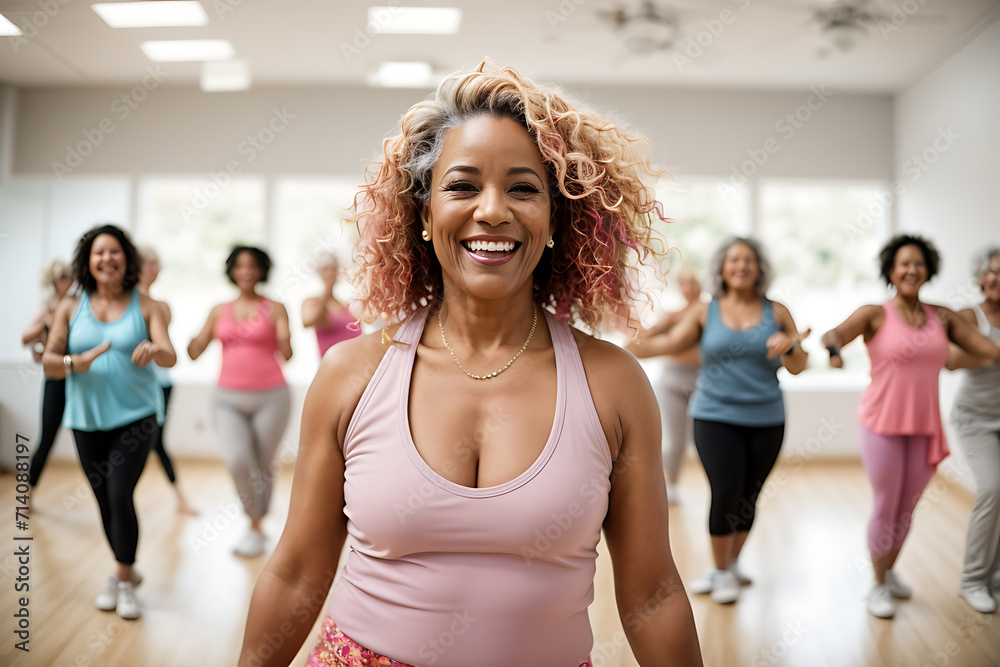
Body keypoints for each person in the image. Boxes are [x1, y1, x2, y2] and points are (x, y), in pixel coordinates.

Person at [238, 62, 702, 667]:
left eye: (523, 188)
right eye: (461, 186)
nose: (492, 211)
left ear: (558, 221)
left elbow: (652, 593)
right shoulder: (350, 374)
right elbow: (297, 573)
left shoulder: (613, 384)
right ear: (424, 217)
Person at [821, 234, 1000, 619]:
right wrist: (834, 351)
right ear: (890, 270)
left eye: (919, 263)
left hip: (925, 427)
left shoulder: (943, 317)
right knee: (887, 506)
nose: (911, 269)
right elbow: (834, 334)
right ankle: (877, 584)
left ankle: (888, 571)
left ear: (928, 270)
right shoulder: (875, 313)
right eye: (904, 263)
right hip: (882, 424)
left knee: (906, 510)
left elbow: (988, 349)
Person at [627, 236, 809, 606]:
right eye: (733, 260)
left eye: (748, 260)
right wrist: (630, 344)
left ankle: (733, 562)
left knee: (750, 496)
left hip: (767, 418)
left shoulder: (777, 311)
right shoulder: (704, 311)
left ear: (759, 269)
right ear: (722, 269)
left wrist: (790, 345)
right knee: (725, 490)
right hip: (713, 416)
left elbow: (798, 366)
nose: (741, 266)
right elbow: (668, 344)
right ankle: (721, 571)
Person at [42, 224, 176, 620]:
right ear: (88, 261)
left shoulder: (148, 305)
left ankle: (120, 579)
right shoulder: (70, 305)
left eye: (115, 252)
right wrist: (74, 363)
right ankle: (128, 572)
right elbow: (50, 364)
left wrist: (154, 350)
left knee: (119, 494)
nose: (107, 259)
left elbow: (170, 354)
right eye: (99, 253)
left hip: (136, 416)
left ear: (126, 259)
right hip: (86, 419)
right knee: (103, 500)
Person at [188, 246, 292, 558]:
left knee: (263, 464)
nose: (246, 271)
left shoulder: (276, 308)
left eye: (253, 266)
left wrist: (283, 334)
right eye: (240, 266)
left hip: (271, 396)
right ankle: (254, 520)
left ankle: (256, 528)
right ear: (232, 271)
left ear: (262, 271)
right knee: (238, 460)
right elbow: (195, 351)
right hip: (227, 399)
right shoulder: (219, 309)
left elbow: (288, 354)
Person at [946, 247, 1000, 613]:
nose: (997, 278)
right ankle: (972, 579)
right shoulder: (969, 316)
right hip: (974, 418)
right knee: (992, 488)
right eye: (992, 271)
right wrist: (993, 350)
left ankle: (994, 575)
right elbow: (949, 360)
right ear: (982, 276)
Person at [631, 267, 702, 504]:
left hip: (702, 384)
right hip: (672, 382)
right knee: (673, 441)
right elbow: (635, 345)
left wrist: (672, 347)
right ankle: (669, 485)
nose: (688, 289)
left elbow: (699, 352)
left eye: (693, 283)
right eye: (684, 284)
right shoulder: (672, 316)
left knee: (704, 442)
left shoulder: (708, 313)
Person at [136, 246, 197, 515]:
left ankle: (180, 498)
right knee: (149, 443)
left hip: (160, 383)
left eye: (158, 264)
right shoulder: (121, 306)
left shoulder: (160, 306)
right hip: (134, 383)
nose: (156, 269)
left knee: (156, 441)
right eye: (151, 264)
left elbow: (164, 347)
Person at [22, 259, 74, 488]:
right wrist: (45, 326)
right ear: (54, 281)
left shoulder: (77, 303)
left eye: (71, 275)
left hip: (79, 378)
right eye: (63, 277)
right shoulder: (49, 307)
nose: (68, 281)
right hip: (56, 379)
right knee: (47, 438)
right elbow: (25, 337)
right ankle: (27, 495)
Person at [300, 253, 360, 358]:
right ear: (319, 272)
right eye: (326, 269)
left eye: (333, 269)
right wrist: (328, 287)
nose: (330, 273)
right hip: (333, 367)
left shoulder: (347, 305)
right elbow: (308, 321)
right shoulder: (312, 302)